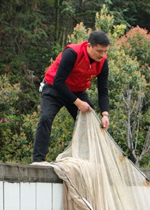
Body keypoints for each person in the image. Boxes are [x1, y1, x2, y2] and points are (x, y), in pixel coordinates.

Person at [32, 31, 111, 163]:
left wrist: (105, 114)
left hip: (78, 90)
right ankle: (38, 160)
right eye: (99, 51)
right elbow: (58, 82)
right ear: (89, 46)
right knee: (46, 118)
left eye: (105, 51)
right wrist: (77, 102)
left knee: (92, 122)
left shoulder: (103, 62)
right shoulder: (72, 53)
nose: (102, 55)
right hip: (54, 88)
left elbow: (103, 91)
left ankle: (89, 161)